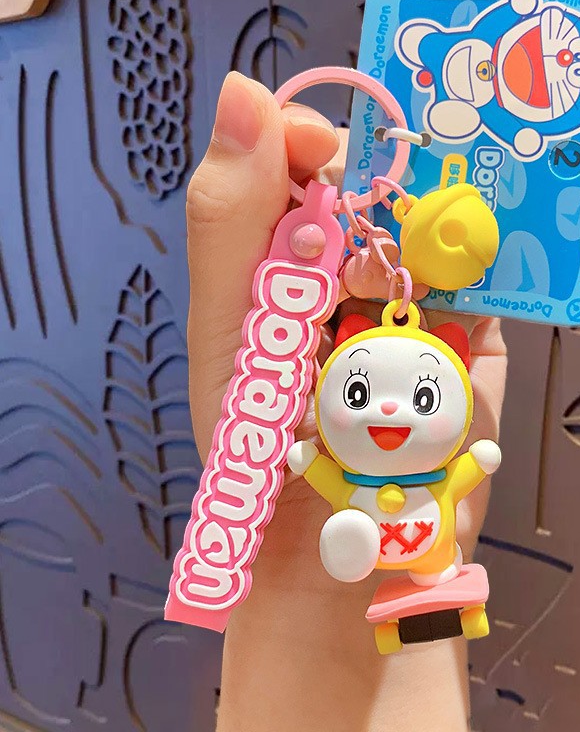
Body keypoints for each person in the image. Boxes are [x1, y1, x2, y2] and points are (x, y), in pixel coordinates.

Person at [186, 71, 507, 731]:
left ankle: (410, 578)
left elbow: (464, 469)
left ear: (457, 363)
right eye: (358, 393)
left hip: (423, 547)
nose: (388, 411)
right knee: (363, 537)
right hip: (370, 527)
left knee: (426, 568)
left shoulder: (432, 468)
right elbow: (332, 472)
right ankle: (358, 554)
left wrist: (476, 460)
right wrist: (301, 463)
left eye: (423, 398)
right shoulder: (353, 457)